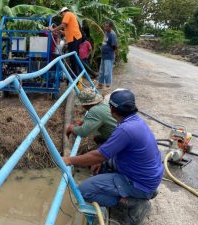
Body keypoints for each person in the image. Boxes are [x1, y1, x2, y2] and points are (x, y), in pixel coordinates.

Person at [63, 89, 163, 225]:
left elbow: (97, 155)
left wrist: (69, 160)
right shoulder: (135, 121)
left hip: (139, 182)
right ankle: (143, 192)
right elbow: (106, 153)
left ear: (112, 109)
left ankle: (134, 202)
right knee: (102, 165)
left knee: (83, 191)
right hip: (149, 177)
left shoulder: (125, 129)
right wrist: (102, 159)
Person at [48, 7, 83, 77]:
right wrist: (59, 31)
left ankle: (75, 75)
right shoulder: (71, 16)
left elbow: (63, 25)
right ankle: (76, 75)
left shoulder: (68, 14)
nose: (62, 16)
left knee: (73, 58)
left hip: (74, 38)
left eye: (61, 14)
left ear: (63, 12)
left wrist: (53, 30)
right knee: (74, 57)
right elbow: (67, 32)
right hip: (75, 37)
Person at [98, 21, 118, 91]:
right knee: (101, 71)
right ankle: (100, 84)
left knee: (107, 71)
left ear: (110, 27)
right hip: (104, 55)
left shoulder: (112, 34)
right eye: (105, 26)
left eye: (107, 26)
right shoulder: (106, 32)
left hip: (109, 56)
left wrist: (112, 52)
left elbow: (115, 45)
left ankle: (108, 85)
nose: (105, 28)